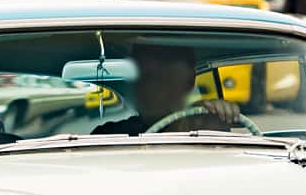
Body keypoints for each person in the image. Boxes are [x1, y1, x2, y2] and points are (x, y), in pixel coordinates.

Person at [92, 44, 240, 136]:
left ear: (188, 83)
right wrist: (178, 128)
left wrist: (221, 116)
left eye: (163, 79)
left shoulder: (205, 126)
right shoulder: (109, 135)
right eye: (144, 77)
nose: (150, 88)